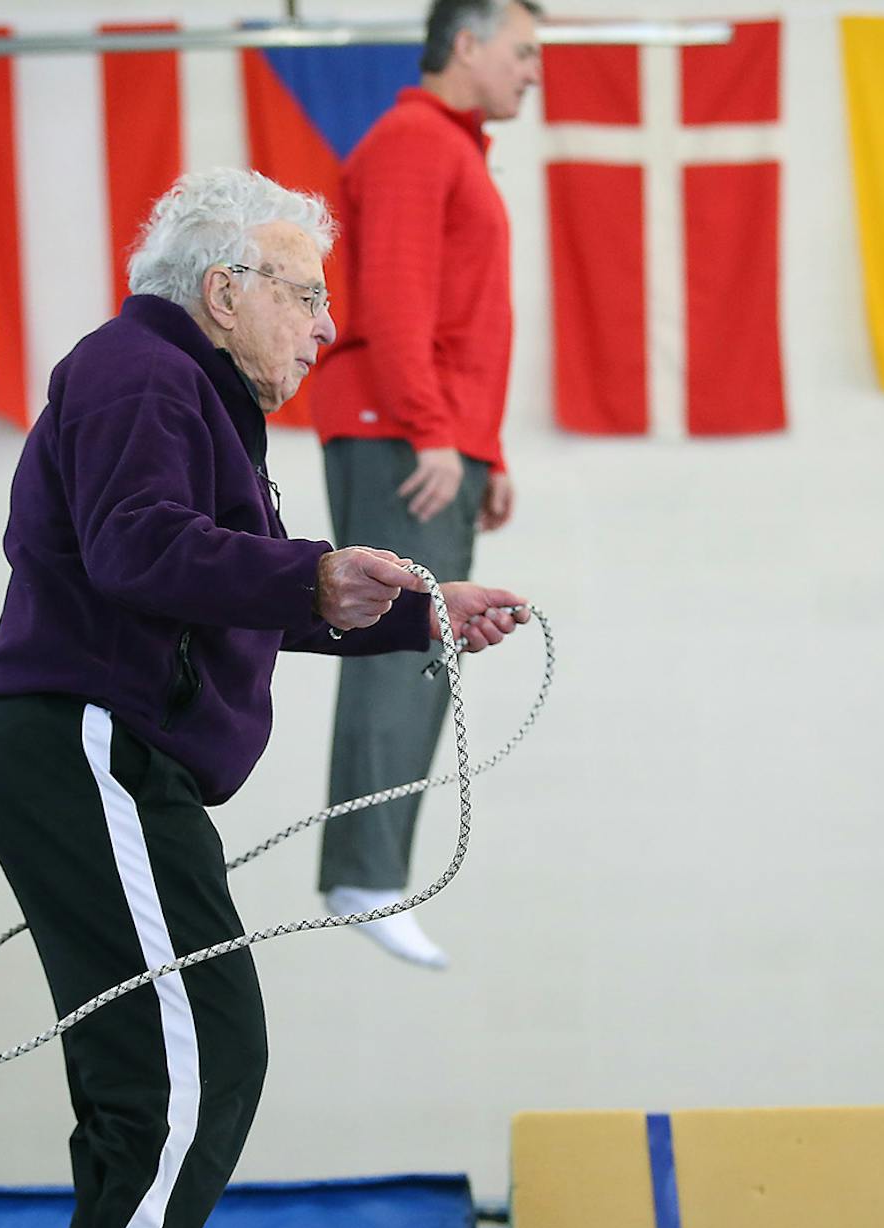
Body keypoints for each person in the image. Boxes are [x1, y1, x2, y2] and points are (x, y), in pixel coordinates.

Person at [0, 167, 527, 1228]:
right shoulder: (140, 376)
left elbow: (226, 584)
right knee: (190, 1051)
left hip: (104, 751)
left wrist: (416, 613)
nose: (324, 329)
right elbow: (138, 549)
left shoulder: (185, 395)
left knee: (179, 1052)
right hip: (87, 742)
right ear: (225, 292)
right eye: (306, 296)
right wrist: (319, 571)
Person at [310, 0, 543, 969]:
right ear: (466, 43)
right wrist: (433, 431)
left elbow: (456, 320)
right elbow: (398, 299)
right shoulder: (413, 143)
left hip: (429, 434)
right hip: (399, 434)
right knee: (399, 639)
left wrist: (479, 450)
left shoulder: (449, 148)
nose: (532, 71)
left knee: (425, 641)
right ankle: (361, 873)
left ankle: (370, 870)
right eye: (522, 52)